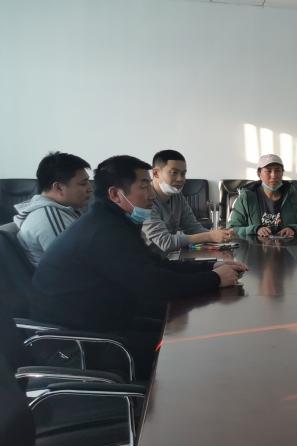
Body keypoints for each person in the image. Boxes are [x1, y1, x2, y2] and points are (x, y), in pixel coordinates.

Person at [32, 155, 247, 378]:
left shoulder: (113, 221)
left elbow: (157, 265)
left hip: (105, 321)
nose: (152, 194)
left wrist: (213, 266)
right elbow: (154, 285)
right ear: (115, 194)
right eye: (144, 186)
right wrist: (215, 279)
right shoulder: (104, 232)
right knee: (186, 352)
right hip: (79, 343)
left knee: (183, 331)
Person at [143, 149, 234, 252]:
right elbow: (166, 242)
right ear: (155, 173)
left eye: (183, 174)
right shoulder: (144, 200)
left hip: (168, 257)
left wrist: (220, 235)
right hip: (148, 259)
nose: (180, 179)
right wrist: (209, 236)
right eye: (174, 173)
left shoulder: (177, 196)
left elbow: (193, 228)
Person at [13, 152, 93, 265]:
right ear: (59, 187)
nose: (90, 189)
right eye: (83, 184)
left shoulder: (64, 210)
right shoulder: (48, 218)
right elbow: (73, 267)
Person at [228, 154, 297, 238]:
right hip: (255, 246)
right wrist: (255, 229)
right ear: (259, 173)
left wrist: (294, 229)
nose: (273, 175)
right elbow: (232, 229)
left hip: (288, 245)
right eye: (268, 171)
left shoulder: (296, 197)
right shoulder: (245, 198)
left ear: (282, 173)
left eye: (278, 171)